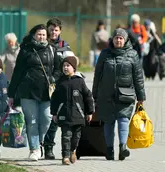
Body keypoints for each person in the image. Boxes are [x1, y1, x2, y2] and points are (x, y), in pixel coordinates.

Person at [8, 24, 61, 161]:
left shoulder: (52, 49)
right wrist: (11, 94)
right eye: (39, 34)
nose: (42, 37)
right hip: (28, 91)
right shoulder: (26, 50)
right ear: (33, 35)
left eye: (44, 34)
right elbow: (17, 72)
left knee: (46, 119)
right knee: (31, 121)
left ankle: (39, 142)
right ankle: (34, 149)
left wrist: (53, 78)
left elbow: (58, 69)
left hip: (46, 91)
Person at [92, 28, 146, 161]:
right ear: (112, 39)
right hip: (106, 94)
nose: (118, 40)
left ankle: (122, 148)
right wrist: (94, 95)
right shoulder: (105, 54)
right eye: (116, 38)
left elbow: (138, 77)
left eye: (121, 38)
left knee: (123, 119)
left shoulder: (132, 54)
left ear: (126, 40)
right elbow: (97, 75)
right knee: (108, 122)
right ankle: (109, 149)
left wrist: (141, 97)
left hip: (125, 94)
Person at [51, 55, 94, 165]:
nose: (65, 68)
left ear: (74, 68)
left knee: (76, 137)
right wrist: (54, 113)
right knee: (66, 136)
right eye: (64, 66)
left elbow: (88, 97)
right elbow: (54, 99)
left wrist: (90, 112)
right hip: (64, 114)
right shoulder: (60, 82)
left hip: (78, 115)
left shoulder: (79, 81)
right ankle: (65, 156)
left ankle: (72, 151)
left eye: (68, 66)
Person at [43, 17, 71, 160]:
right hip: (42, 86)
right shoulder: (42, 43)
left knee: (54, 118)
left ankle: (48, 147)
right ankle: (38, 144)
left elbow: (71, 62)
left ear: (60, 31)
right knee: (43, 118)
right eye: (51, 29)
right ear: (47, 29)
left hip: (58, 88)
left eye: (56, 30)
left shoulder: (63, 46)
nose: (53, 32)